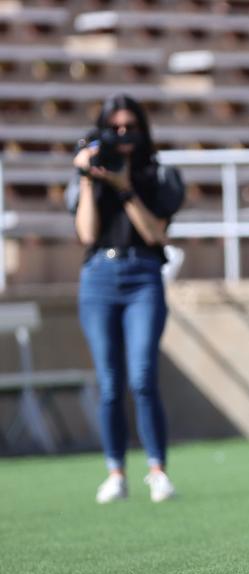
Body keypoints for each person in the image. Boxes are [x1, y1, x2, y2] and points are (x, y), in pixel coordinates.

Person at [68, 93, 184, 504]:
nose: (123, 135)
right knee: (111, 382)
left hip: (143, 275)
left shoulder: (160, 176)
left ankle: (157, 470)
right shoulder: (90, 176)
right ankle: (115, 472)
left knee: (142, 376)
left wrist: (124, 187)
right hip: (99, 276)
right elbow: (86, 234)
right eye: (114, 128)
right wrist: (87, 178)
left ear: (143, 129)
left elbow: (155, 234)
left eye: (130, 127)